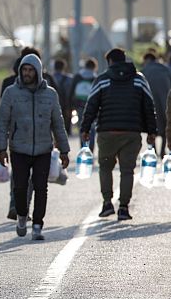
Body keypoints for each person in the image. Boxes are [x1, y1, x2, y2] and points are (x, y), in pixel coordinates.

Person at [0, 54, 70, 241]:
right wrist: (1, 148)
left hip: (44, 149)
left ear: (38, 72)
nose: (27, 73)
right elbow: (3, 122)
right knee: (20, 188)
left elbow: (58, 123)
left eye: (30, 70)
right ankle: (22, 215)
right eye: (24, 70)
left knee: (41, 188)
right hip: (19, 148)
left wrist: (64, 150)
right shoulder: (11, 93)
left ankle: (38, 225)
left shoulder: (50, 94)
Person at [81, 48, 157, 220]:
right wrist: (152, 132)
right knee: (127, 171)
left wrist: (85, 129)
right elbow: (149, 106)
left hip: (107, 133)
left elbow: (91, 105)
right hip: (131, 133)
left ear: (110, 62)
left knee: (106, 168)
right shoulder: (139, 80)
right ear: (124, 60)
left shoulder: (102, 80)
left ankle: (107, 203)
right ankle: (123, 207)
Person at [0, 47, 59, 221]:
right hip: (19, 140)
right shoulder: (11, 86)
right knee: (22, 180)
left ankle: (19, 208)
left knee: (30, 181)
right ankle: (20, 207)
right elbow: (3, 114)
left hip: (40, 142)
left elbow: (55, 110)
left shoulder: (46, 87)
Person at [141, 51, 171, 158]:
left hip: (150, 105)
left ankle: (152, 150)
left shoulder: (144, 72)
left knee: (151, 128)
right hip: (165, 103)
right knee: (165, 128)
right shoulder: (165, 69)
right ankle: (162, 151)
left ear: (146, 60)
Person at [71, 58, 98, 151]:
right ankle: (91, 149)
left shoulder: (77, 76)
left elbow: (71, 91)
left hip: (79, 105)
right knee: (92, 127)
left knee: (81, 127)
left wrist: (71, 106)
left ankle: (83, 148)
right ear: (94, 67)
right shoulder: (95, 78)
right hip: (92, 106)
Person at [52, 58, 74, 136]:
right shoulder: (70, 79)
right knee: (65, 130)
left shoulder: (49, 78)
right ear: (64, 67)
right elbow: (71, 95)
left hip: (52, 106)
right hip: (66, 107)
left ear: (54, 67)